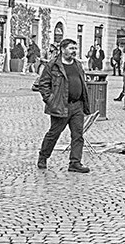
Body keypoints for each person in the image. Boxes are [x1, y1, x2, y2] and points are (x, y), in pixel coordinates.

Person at [34, 39, 91, 173]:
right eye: (71, 48)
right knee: (54, 134)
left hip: (77, 105)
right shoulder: (53, 65)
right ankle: (43, 156)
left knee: (78, 135)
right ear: (63, 49)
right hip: (60, 105)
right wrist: (50, 100)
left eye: (75, 48)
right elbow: (43, 84)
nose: (74, 51)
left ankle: (75, 162)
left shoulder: (77, 64)